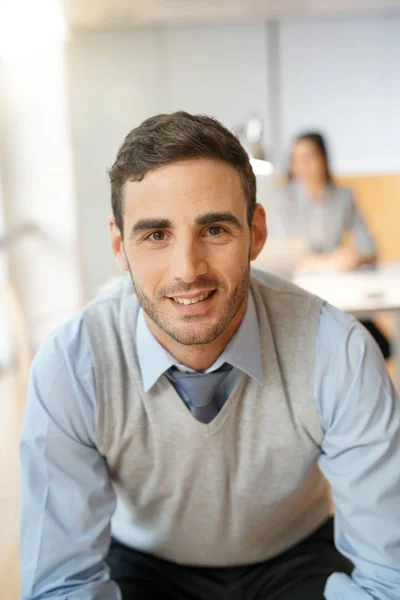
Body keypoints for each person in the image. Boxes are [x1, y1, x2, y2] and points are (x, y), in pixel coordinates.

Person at [19, 112, 400, 600]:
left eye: (215, 229)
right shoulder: (73, 366)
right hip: (145, 566)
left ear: (255, 232)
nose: (188, 270)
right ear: (119, 245)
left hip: (295, 557)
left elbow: (387, 580)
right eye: (156, 234)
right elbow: (61, 585)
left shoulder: (338, 351)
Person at [274, 131, 391, 359]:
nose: (301, 166)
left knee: (380, 347)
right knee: (319, 353)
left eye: (308, 158)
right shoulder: (283, 200)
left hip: (342, 294)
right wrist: (329, 262)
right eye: (296, 159)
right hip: (300, 296)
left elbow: (370, 249)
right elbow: (281, 257)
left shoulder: (343, 197)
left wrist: (355, 258)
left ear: (323, 160)